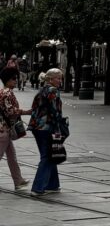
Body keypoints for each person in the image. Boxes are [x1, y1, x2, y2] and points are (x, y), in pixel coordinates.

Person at [29, 67, 66, 196]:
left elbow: (34, 109)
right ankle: (38, 187)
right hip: (47, 128)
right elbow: (56, 112)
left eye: (61, 78)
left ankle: (53, 185)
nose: (60, 81)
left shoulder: (41, 90)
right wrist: (60, 127)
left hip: (36, 127)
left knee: (50, 154)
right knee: (47, 157)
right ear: (50, 79)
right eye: (58, 78)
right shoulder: (53, 91)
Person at [0, 66, 31, 190]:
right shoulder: (6, 92)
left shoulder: (4, 91)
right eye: (13, 78)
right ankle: (18, 181)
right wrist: (26, 112)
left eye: (16, 78)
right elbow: (9, 111)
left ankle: (18, 181)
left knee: (12, 157)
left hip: (5, 129)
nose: (16, 81)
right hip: (3, 130)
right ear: (7, 80)